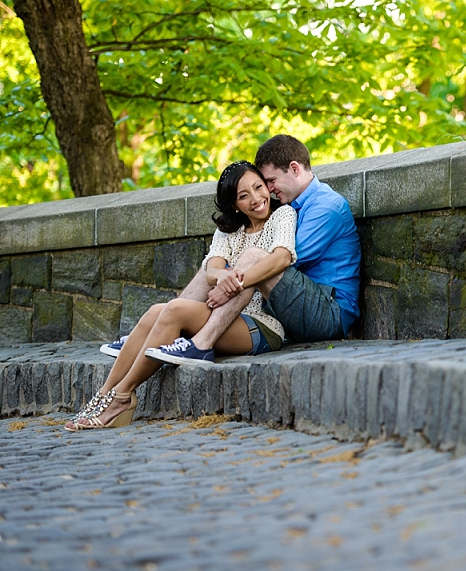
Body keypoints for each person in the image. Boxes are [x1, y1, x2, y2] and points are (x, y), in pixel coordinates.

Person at [65, 161, 297, 431]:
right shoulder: (228, 230)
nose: (256, 199)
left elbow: (282, 257)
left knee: (173, 310)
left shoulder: (283, 215)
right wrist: (221, 277)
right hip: (222, 317)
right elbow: (212, 268)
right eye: (244, 195)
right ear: (234, 204)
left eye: (258, 188)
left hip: (260, 326)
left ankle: (122, 397)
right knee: (156, 311)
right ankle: (105, 393)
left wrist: (233, 280)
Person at [143, 134, 361, 365]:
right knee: (213, 267)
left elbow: (280, 259)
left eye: (270, 181)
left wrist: (230, 284)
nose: (268, 189)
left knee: (256, 257)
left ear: (294, 168)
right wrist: (220, 273)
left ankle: (201, 343)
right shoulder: (294, 206)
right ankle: (157, 329)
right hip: (293, 304)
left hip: (328, 313)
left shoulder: (326, 206)